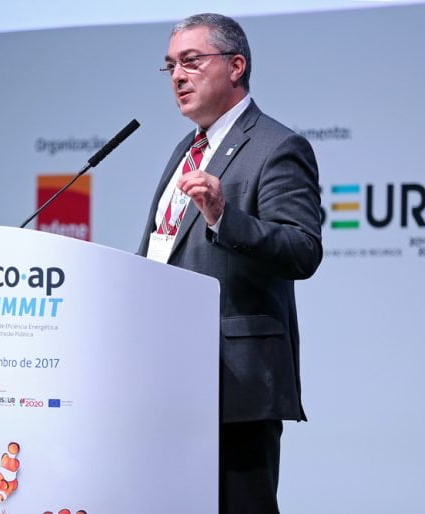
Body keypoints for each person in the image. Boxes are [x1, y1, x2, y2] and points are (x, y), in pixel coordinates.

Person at [137, 13, 323, 514]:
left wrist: (224, 217)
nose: (178, 76)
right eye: (170, 66)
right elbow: (160, 249)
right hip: (171, 374)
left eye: (191, 61)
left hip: (235, 381)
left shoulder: (277, 146)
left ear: (236, 66)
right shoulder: (186, 149)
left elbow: (302, 249)